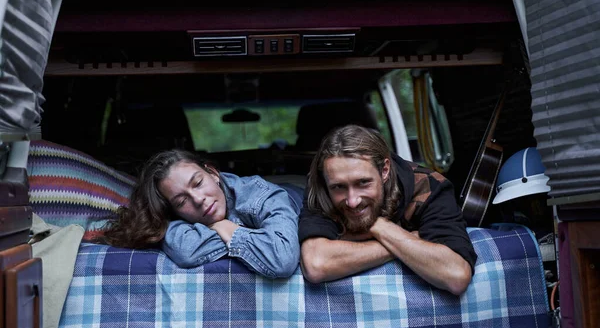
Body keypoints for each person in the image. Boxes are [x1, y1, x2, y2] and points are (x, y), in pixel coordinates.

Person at [298, 125, 477, 295]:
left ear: (384, 170)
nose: (353, 201)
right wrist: (406, 240)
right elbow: (316, 264)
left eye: (363, 183)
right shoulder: (322, 187)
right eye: (339, 187)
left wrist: (381, 227)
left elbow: (456, 276)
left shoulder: (429, 186)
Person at [103, 149, 301, 279]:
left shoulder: (262, 196)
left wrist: (227, 228)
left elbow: (281, 258)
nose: (198, 199)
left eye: (198, 183)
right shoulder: (174, 220)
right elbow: (185, 248)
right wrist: (252, 240)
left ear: (213, 174)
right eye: (181, 201)